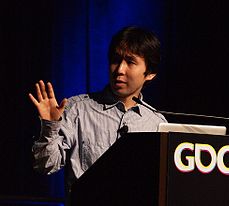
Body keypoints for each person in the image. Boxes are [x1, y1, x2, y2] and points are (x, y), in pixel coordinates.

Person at [28, 26, 167, 195]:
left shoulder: (157, 123)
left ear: (150, 73)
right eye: (116, 60)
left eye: (130, 62)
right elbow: (45, 165)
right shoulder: (78, 109)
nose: (119, 70)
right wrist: (49, 126)